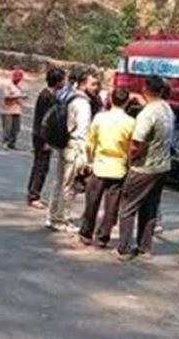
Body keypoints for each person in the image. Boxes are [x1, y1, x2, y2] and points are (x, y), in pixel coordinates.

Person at [116, 75, 175, 261]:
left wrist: (129, 160)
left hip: (144, 168)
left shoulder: (147, 113)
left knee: (128, 206)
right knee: (150, 207)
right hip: (162, 166)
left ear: (145, 88)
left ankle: (124, 248)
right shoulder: (167, 109)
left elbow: (137, 143)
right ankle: (145, 248)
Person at [78, 87, 135, 247]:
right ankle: (103, 237)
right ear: (127, 102)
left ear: (110, 99)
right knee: (112, 206)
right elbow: (131, 148)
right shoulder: (131, 122)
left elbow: (90, 143)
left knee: (92, 201)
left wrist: (90, 161)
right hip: (119, 167)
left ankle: (86, 233)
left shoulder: (100, 118)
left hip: (100, 164)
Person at [46, 70, 100, 232]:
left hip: (64, 144)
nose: (96, 88)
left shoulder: (69, 96)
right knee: (69, 185)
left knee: (59, 182)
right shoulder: (83, 103)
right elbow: (83, 131)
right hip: (75, 147)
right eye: (93, 84)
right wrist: (87, 157)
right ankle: (62, 219)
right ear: (83, 84)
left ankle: (52, 215)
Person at [27, 67, 67, 208]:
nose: (65, 82)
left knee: (41, 165)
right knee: (41, 167)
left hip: (41, 136)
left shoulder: (51, 95)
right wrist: (45, 141)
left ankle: (33, 193)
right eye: (63, 79)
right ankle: (33, 196)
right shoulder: (47, 97)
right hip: (41, 137)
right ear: (57, 81)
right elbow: (44, 121)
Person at [0, 69, 27, 149]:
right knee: (7, 128)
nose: (18, 79)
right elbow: (6, 97)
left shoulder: (18, 87)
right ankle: (5, 142)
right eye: (17, 77)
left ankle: (12, 143)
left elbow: (19, 98)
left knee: (16, 128)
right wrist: (19, 96)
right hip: (8, 110)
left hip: (17, 110)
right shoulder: (8, 86)